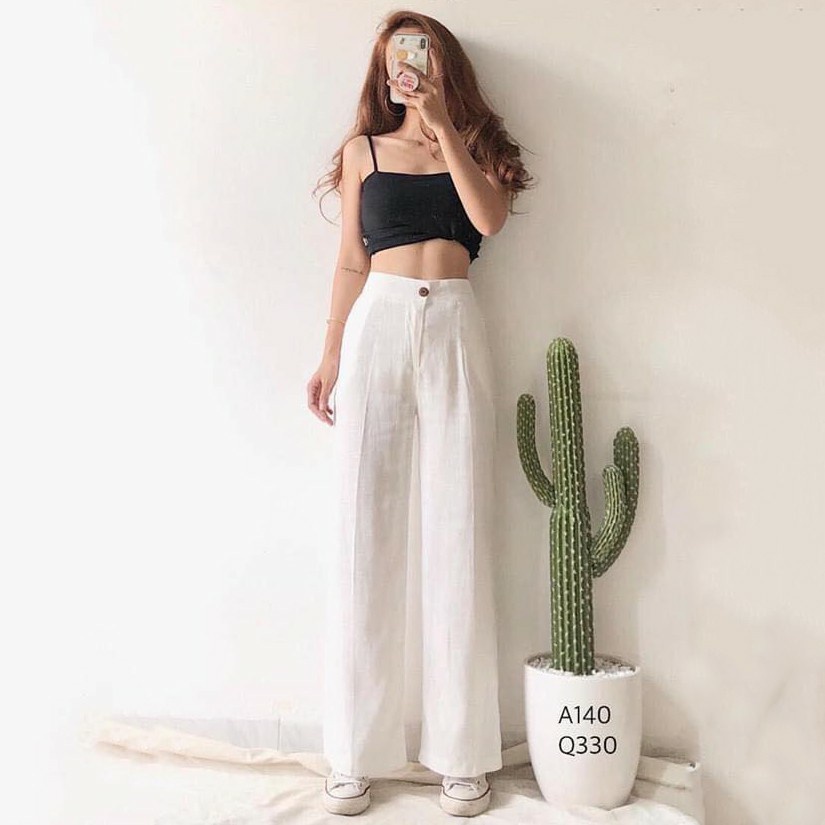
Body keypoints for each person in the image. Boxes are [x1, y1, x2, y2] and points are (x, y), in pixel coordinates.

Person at [307, 10, 532, 817]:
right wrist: (330, 353)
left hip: (456, 327)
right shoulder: (362, 152)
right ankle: (353, 753)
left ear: (443, 65)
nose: (408, 67)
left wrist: (442, 129)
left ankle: (462, 754)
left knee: (458, 529)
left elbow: (487, 221)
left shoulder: (478, 147)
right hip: (379, 321)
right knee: (365, 529)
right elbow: (349, 261)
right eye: (397, 58)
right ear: (384, 70)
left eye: (422, 54)